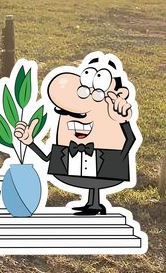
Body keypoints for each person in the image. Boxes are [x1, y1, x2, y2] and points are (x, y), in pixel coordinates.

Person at [14, 52, 138, 215]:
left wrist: (122, 124)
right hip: (74, 164)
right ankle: (91, 203)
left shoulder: (113, 114)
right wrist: (29, 141)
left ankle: (95, 203)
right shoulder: (65, 146)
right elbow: (46, 158)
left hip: (105, 162)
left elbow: (131, 138)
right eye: (65, 112)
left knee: (96, 180)